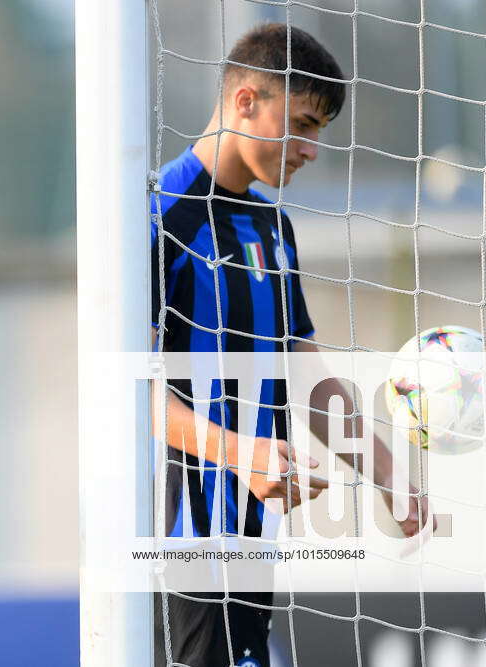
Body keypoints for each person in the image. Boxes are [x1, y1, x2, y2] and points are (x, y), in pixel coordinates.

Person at [150, 24, 428, 667]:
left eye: (319, 132)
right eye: (302, 124)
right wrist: (237, 451)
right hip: (176, 541)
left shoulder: (272, 227)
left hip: (254, 540)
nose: (312, 148)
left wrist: (386, 472)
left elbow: (305, 370)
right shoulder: (159, 212)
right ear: (246, 100)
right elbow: (123, 391)